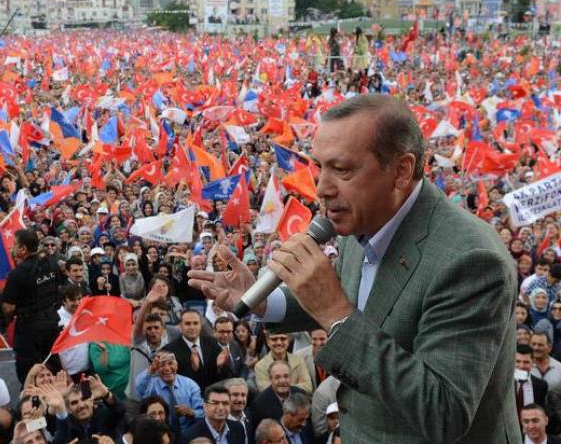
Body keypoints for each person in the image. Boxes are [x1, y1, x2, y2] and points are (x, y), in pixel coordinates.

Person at [189, 94, 520, 442]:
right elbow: (358, 301)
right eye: (320, 168)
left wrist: (335, 313)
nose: (322, 188)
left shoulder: (470, 260)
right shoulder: (361, 216)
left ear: (401, 171)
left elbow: (444, 412)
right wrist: (263, 301)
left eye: (342, 169)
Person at [2, 228, 62, 384]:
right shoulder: (52, 262)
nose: (11, 248)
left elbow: (8, 307)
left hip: (29, 331)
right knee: (52, 370)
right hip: (52, 325)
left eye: (14, 244)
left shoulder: (18, 274)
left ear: (23, 249)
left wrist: (8, 318)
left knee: (29, 374)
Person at [134, 350, 204, 433]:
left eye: (170, 363)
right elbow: (139, 388)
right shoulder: (151, 384)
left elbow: (202, 413)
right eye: (162, 365)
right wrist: (151, 369)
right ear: (156, 368)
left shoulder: (190, 385)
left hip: (188, 432)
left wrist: (190, 412)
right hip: (159, 433)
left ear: (177, 365)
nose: (167, 368)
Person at [162, 309, 230, 389]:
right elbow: (172, 382)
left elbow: (225, 377)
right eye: (188, 324)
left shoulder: (213, 343)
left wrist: (220, 367)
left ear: (200, 325)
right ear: (180, 326)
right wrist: (194, 369)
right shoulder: (169, 350)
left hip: (212, 397)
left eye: (195, 323)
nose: (192, 327)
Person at [250, 362, 307, 431]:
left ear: (291, 377)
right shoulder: (259, 404)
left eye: (286, 376)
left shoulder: (301, 394)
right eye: (277, 377)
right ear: (270, 380)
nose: (282, 381)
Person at [181, 385, 246, 444]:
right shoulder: (190, 436)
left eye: (225, 403)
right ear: (205, 406)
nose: (221, 408)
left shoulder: (238, 429)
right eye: (215, 403)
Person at [516, 344, 549, 418]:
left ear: (533, 362)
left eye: (526, 362)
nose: (521, 366)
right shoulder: (504, 385)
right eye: (518, 361)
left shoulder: (541, 385)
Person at [224, 378, 253, 443]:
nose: (240, 399)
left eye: (243, 395)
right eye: (235, 395)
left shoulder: (251, 417)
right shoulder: (220, 421)